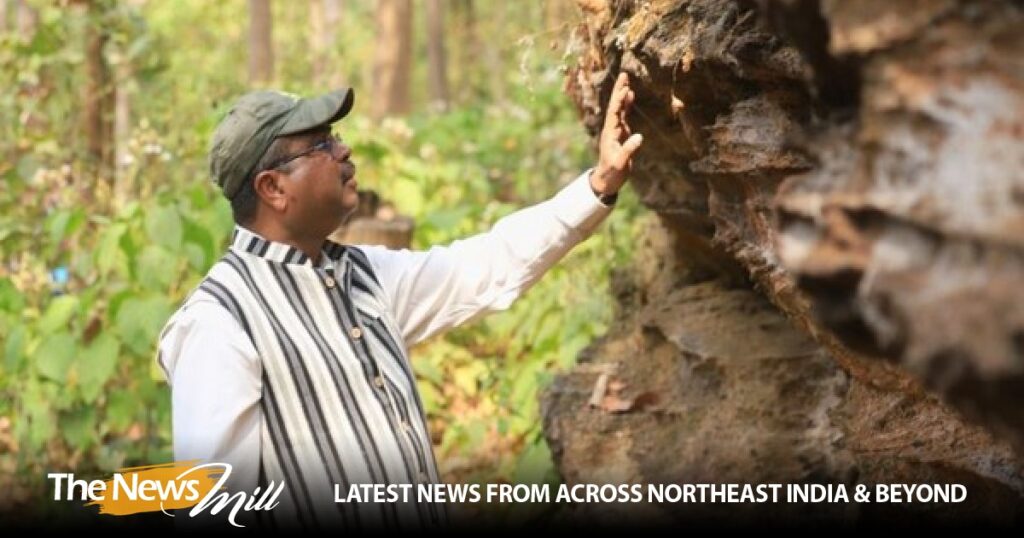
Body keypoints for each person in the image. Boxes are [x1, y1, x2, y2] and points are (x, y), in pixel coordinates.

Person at [156, 73, 642, 530]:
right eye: (323, 145)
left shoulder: (363, 274)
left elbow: (485, 266)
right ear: (273, 187)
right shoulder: (220, 322)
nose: (344, 150)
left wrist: (598, 184)